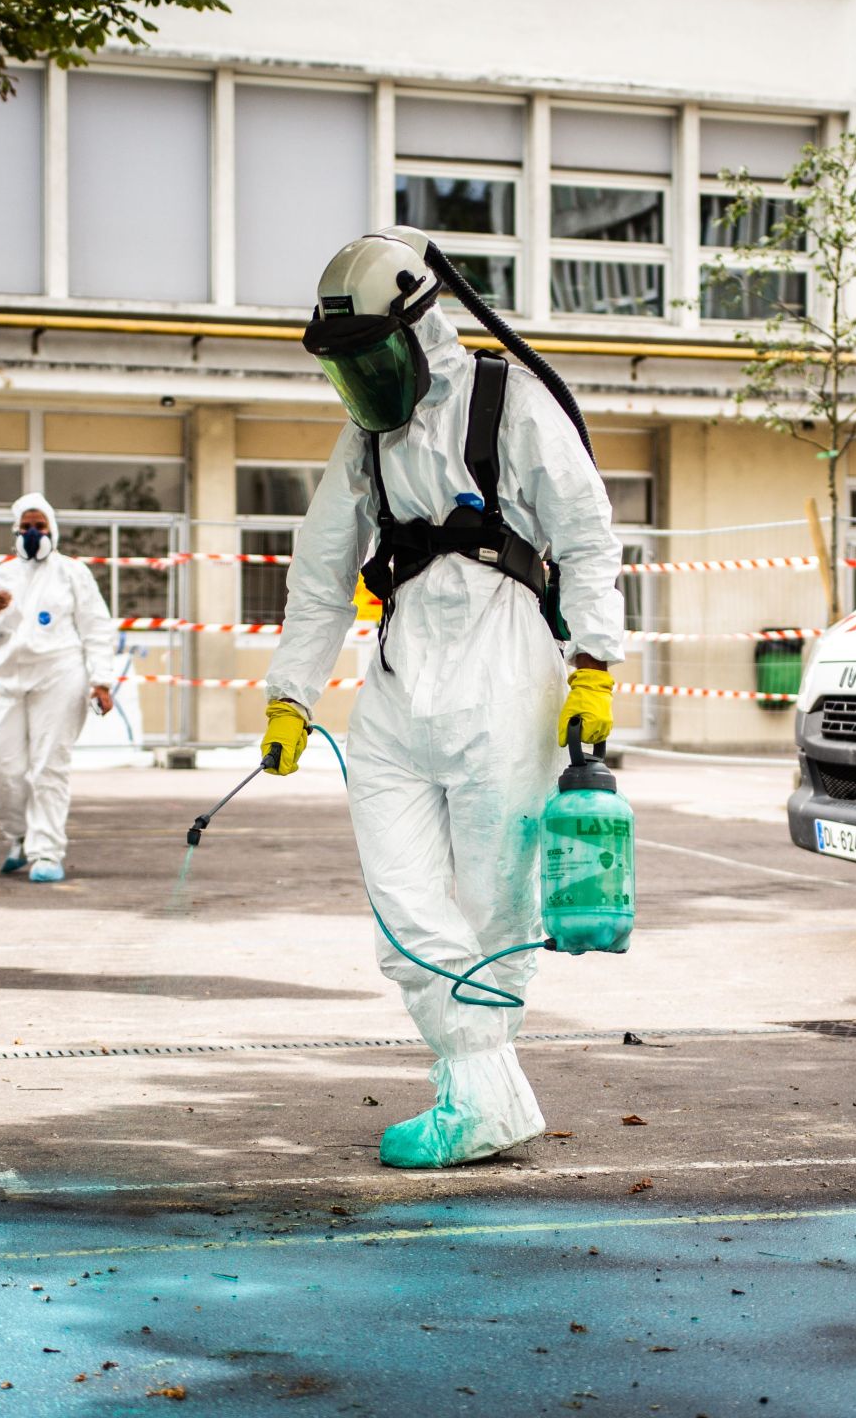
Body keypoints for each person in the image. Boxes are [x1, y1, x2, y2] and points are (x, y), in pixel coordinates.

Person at [265, 225, 625, 1169]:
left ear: (418, 326)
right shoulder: (364, 440)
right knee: (402, 898)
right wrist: (290, 696)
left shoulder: (508, 402)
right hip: (396, 680)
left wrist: (594, 664)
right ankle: (483, 1093)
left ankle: (472, 1097)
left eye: (368, 356)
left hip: (505, 670)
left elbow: (586, 536)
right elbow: (320, 572)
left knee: (498, 904)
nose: (359, 383)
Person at [0, 492, 117, 883]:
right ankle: (18, 836)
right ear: (15, 532)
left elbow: (96, 628)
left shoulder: (72, 573)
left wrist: (101, 681)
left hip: (60, 674)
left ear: (53, 531)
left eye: (40, 527)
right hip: (7, 679)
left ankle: (47, 851)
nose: (33, 533)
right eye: (26, 527)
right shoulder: (1, 576)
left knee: (48, 766)